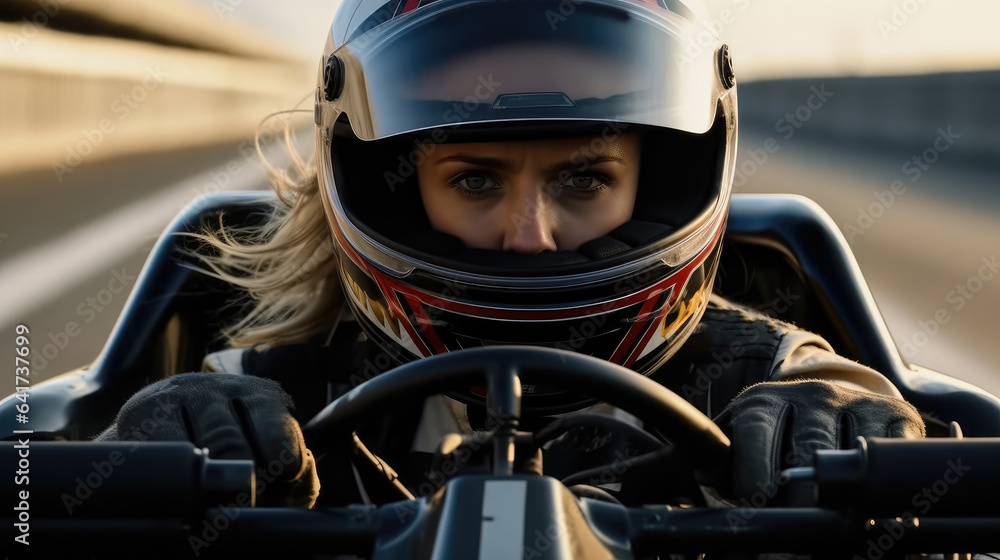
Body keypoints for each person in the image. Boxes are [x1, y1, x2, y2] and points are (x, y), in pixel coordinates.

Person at [98, 0, 925, 509]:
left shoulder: (760, 372)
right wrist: (155, 455)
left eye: (583, 178)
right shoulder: (264, 394)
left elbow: (833, 389)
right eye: (475, 179)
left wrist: (853, 437)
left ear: (661, 178)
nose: (530, 235)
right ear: (389, 183)